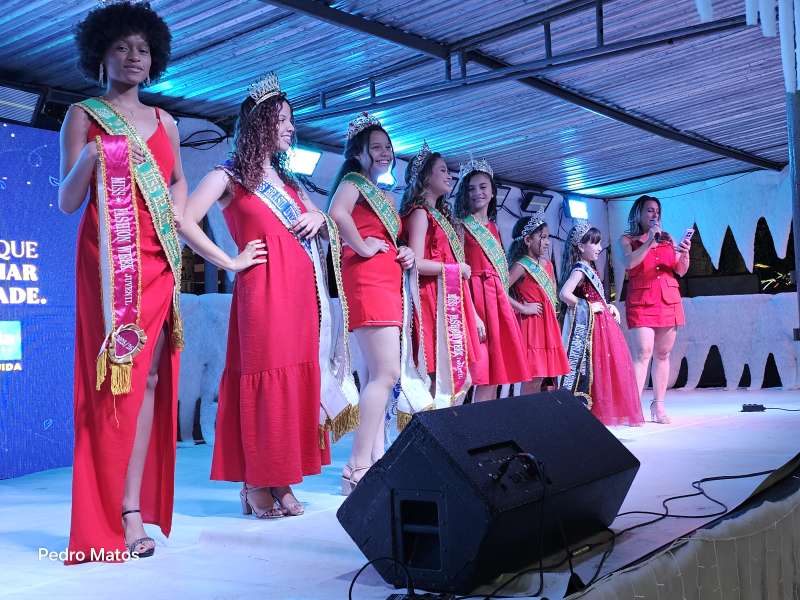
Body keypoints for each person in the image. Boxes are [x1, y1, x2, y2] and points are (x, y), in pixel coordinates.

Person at [178, 73, 357, 518]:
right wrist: (229, 261)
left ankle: (282, 478)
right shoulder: (228, 175)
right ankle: (256, 480)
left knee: (294, 381)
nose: (290, 128)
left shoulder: (291, 183)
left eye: (290, 120)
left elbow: (322, 225)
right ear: (258, 124)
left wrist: (321, 221)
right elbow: (182, 220)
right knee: (266, 378)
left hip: (302, 296)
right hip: (262, 291)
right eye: (281, 120)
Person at [59, 1, 185, 562]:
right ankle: (104, 513)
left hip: (159, 261)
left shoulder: (167, 122)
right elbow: (66, 201)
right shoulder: (83, 115)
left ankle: (132, 507)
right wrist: (92, 156)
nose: (134, 57)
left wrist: (177, 216)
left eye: (143, 49)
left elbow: (177, 182)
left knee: (151, 380)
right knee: (112, 382)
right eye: (121, 47)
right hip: (108, 266)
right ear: (100, 55)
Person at [327, 113, 428, 494]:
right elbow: (336, 214)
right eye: (377, 147)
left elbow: (386, 236)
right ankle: (356, 465)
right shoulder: (353, 182)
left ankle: (371, 459)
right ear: (359, 152)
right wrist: (362, 246)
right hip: (367, 279)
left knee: (376, 374)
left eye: (388, 147)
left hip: (387, 280)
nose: (385, 153)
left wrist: (404, 251)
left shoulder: (383, 194)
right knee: (386, 373)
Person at [400, 142, 484, 406]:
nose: (449, 176)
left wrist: (473, 313)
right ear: (426, 177)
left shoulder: (439, 216)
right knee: (439, 376)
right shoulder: (420, 214)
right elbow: (415, 263)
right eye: (443, 170)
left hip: (449, 300)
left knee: (458, 377)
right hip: (431, 300)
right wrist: (455, 269)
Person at [453, 158, 529, 401]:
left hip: (496, 300)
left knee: (496, 372)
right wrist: (471, 313)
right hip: (475, 297)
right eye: (471, 188)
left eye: (483, 186)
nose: (478, 192)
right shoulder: (460, 226)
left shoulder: (494, 227)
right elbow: (459, 272)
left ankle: (483, 421)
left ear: (493, 191)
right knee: (478, 370)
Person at [559, 223, 644, 427]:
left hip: (603, 324)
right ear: (581, 247)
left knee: (605, 368)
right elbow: (564, 294)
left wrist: (609, 306)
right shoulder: (580, 269)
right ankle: (594, 414)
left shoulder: (590, 268)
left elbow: (595, 296)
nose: (599, 248)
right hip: (593, 328)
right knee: (595, 368)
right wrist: (587, 306)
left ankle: (599, 414)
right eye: (595, 243)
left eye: (600, 243)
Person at [619, 195, 691, 423]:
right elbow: (629, 263)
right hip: (641, 301)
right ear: (638, 214)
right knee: (643, 353)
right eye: (650, 210)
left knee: (663, 354)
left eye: (657, 211)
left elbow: (680, 270)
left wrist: (685, 253)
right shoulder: (627, 239)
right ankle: (633, 407)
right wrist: (650, 240)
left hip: (667, 300)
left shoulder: (668, 239)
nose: (654, 215)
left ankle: (658, 406)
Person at [507, 212, 569, 394]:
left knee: (542, 376)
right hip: (532, 326)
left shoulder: (548, 265)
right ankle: (525, 410)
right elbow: (499, 290)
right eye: (543, 237)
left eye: (548, 237)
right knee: (533, 376)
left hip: (547, 324)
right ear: (527, 240)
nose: (547, 242)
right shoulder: (521, 266)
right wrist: (522, 308)